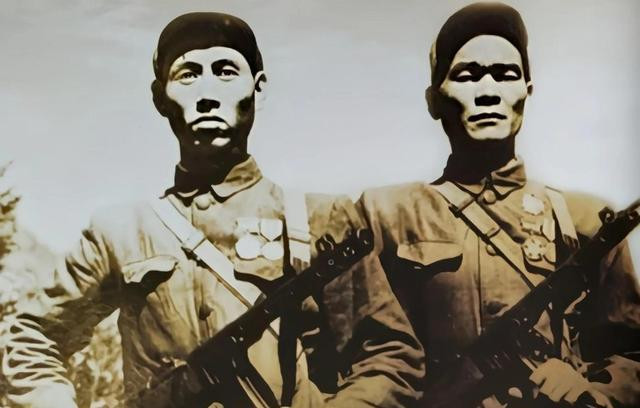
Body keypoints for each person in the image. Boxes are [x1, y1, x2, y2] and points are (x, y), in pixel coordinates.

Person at [1, 12, 424, 407]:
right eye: (187, 75)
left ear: (258, 87)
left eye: (225, 72)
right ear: (160, 98)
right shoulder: (121, 233)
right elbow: (34, 338)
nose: (206, 94)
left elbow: (388, 355)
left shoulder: (321, 219)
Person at [357, 3, 640, 407]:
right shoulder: (384, 214)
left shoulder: (586, 222)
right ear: (433, 101)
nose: (488, 91)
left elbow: (629, 354)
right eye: (466, 76)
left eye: (506, 75)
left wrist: (593, 391)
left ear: (528, 90)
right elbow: (353, 355)